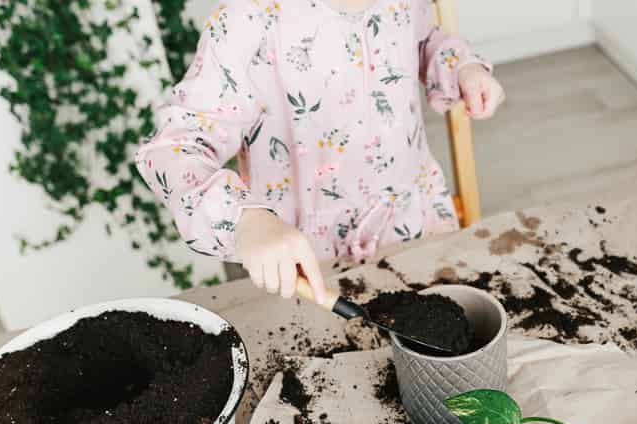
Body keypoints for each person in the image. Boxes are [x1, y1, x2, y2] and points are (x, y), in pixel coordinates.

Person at [135, 0, 505, 304]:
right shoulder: (246, 21)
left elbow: (425, 40)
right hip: (309, 269)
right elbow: (173, 147)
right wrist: (243, 219)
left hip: (415, 228)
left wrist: (460, 66)